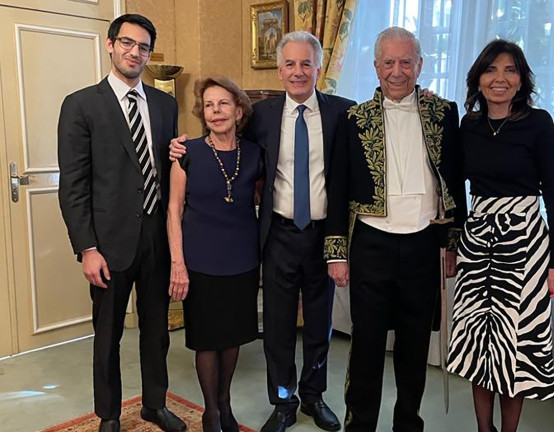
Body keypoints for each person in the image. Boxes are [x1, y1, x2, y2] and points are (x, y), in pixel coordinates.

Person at [170, 31, 355, 432]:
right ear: (279, 70)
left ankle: (313, 396)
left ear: (319, 69)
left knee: (320, 323)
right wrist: (181, 148)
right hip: (277, 235)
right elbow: (223, 143)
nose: (298, 71)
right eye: (289, 64)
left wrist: (420, 97)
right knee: (278, 325)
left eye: (306, 63)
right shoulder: (263, 116)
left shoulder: (344, 112)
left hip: (325, 236)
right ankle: (283, 402)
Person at [325, 27, 464, 432]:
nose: (397, 71)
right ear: (376, 66)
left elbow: (454, 181)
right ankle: (360, 424)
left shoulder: (444, 113)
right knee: (366, 344)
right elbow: (338, 186)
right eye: (389, 62)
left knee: (414, 342)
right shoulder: (353, 118)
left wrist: (452, 243)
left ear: (420, 66)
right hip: (370, 244)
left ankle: (408, 423)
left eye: (406, 62)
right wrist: (336, 251)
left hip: (423, 245)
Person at [57, 14, 186, 432]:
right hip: (108, 244)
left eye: (144, 47)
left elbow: (169, 172)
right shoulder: (81, 104)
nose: (135, 52)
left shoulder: (165, 105)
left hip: (156, 239)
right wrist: (87, 248)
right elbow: (74, 185)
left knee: (157, 332)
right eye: (127, 43)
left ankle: (154, 405)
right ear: (110, 45)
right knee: (108, 336)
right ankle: (109, 414)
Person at [446, 40, 554, 432]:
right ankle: (484, 429)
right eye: (491, 70)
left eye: (510, 70)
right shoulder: (469, 125)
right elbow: (454, 182)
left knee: (514, 347)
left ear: (521, 81)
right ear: (478, 80)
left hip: (526, 244)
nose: (500, 78)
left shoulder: (539, 123)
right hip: (478, 240)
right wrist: (460, 234)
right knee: (478, 343)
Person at [167, 76, 260, 432]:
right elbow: (173, 210)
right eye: (208, 105)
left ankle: (225, 401)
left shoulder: (254, 153)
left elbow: (262, 200)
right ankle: (211, 411)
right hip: (199, 260)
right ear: (202, 113)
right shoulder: (185, 152)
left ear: (238, 110)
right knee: (207, 338)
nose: (215, 111)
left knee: (232, 336)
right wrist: (178, 264)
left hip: (242, 258)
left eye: (223, 104)